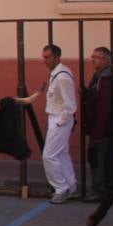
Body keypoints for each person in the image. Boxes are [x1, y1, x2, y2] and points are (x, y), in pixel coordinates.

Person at [38, 44, 78, 204]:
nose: (45, 60)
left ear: (57, 57)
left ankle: (60, 188)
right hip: (55, 117)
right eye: (43, 57)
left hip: (60, 119)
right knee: (61, 154)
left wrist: (60, 122)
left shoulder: (62, 76)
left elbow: (71, 105)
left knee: (48, 155)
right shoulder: (56, 73)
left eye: (47, 57)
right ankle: (71, 186)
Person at [82, 47, 113, 197]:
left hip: (101, 127)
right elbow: (97, 98)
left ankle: (99, 191)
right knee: (105, 158)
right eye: (92, 56)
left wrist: (98, 133)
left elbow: (104, 106)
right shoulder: (99, 75)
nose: (93, 59)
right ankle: (108, 189)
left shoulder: (106, 78)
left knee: (96, 157)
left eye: (97, 57)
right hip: (103, 126)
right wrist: (88, 93)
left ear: (106, 60)